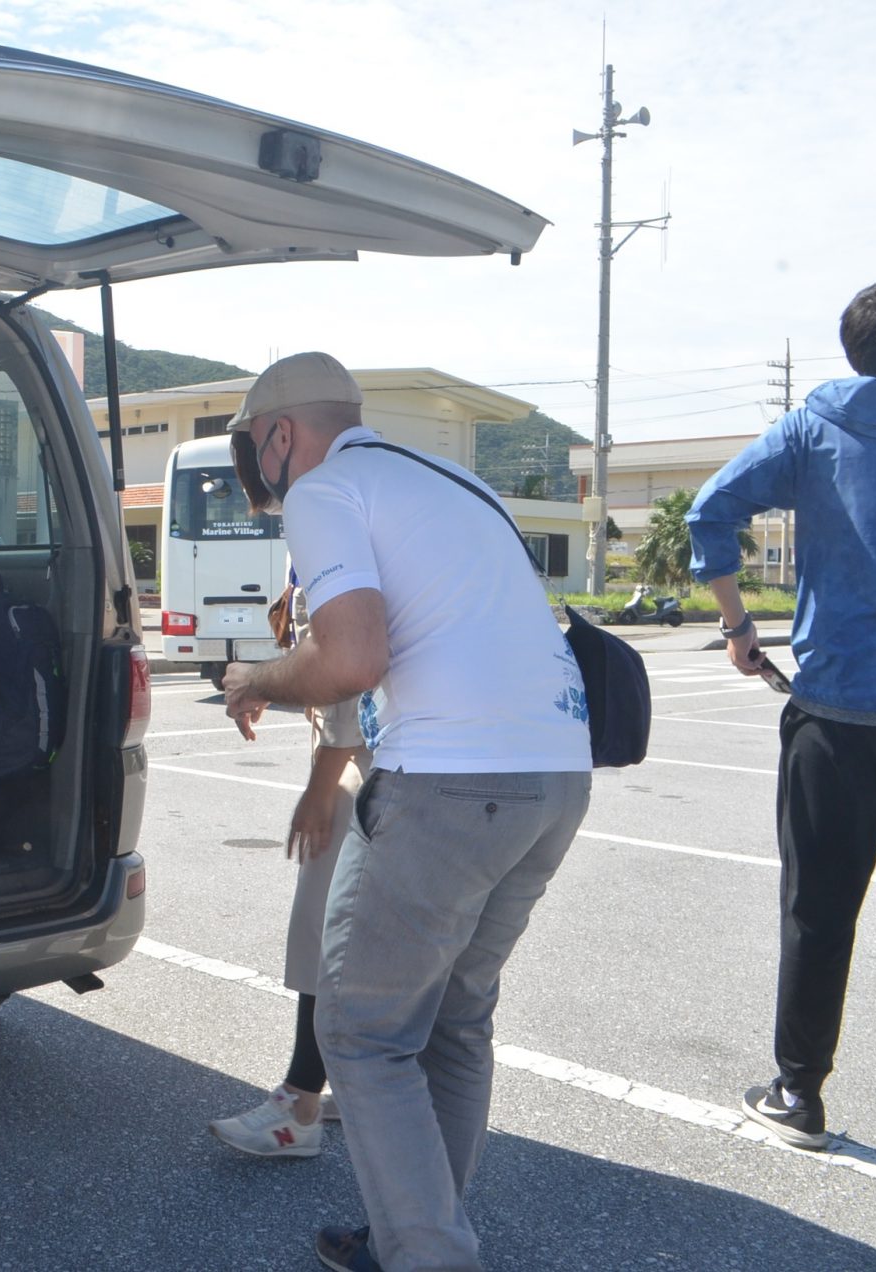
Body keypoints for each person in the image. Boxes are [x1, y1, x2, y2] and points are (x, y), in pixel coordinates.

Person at [219, 352, 592, 1272]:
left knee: (362, 1033)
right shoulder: (454, 478)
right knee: (456, 1023)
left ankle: (430, 1255)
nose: (261, 476)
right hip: (558, 769)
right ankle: (412, 1233)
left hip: (452, 783)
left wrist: (254, 677)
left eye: (252, 453)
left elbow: (350, 658)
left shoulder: (324, 486)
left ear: (279, 435)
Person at [687, 275, 876, 1193]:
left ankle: (800, 1097)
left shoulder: (814, 427)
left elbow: (709, 510)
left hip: (834, 713)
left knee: (819, 909)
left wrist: (737, 624)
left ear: (854, 351)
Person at [208, 586, 370, 1158]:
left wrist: (320, 791)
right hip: (411, 765)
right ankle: (350, 1089)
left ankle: (298, 1108)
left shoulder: (331, 518)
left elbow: (347, 677)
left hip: (368, 771)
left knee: (324, 939)